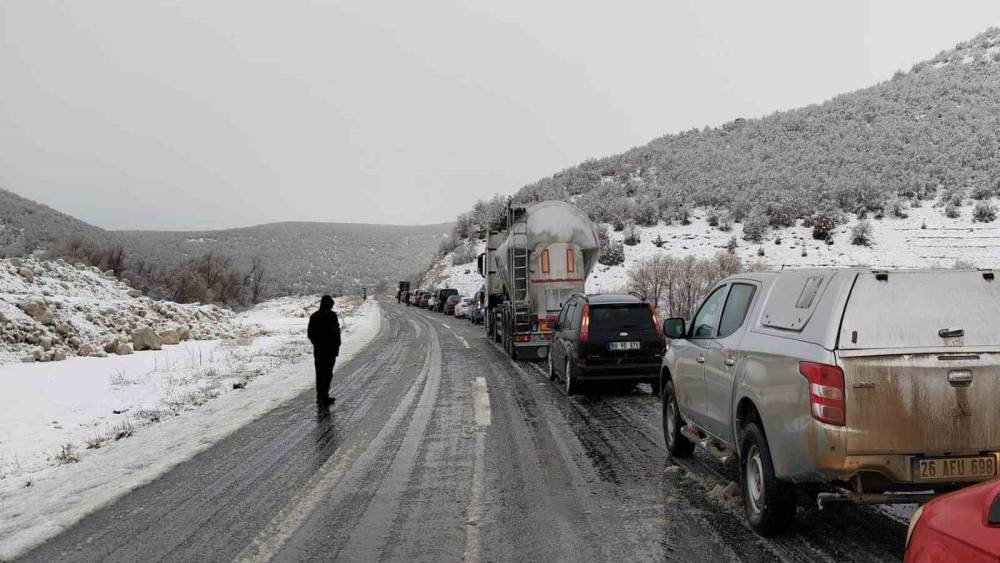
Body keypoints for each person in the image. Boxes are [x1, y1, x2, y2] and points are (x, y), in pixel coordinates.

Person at [308, 295, 341, 407]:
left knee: (323, 374)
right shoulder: (330, 316)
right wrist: (335, 345)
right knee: (325, 374)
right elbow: (336, 333)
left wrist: (318, 343)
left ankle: (322, 396)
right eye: (330, 305)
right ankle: (322, 396)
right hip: (326, 350)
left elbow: (311, 335)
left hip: (323, 350)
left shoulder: (316, 316)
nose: (331, 307)